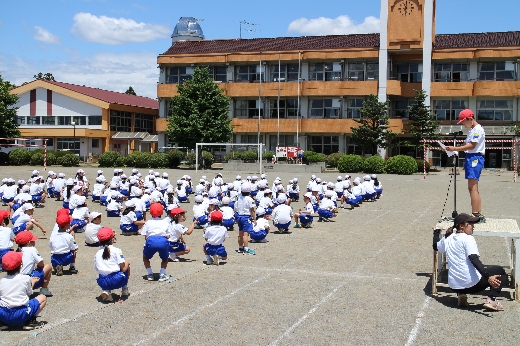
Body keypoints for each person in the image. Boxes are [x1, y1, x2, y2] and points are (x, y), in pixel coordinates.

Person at [433, 213, 507, 311]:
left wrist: (436, 232)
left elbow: (435, 246)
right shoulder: (468, 238)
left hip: (454, 286)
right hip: (473, 286)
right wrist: (488, 277)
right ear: (462, 226)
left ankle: (461, 295)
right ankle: (491, 299)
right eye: (470, 223)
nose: (473, 226)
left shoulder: (447, 238)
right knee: (500, 270)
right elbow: (474, 260)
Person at [445, 109, 486, 222]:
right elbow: (466, 144)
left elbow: (472, 146)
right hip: (471, 158)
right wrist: (452, 148)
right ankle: (477, 213)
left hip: (475, 158)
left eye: (464, 122)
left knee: (473, 188)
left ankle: (475, 215)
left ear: (470, 119)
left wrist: (455, 149)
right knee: (473, 188)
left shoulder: (478, 130)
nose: (463, 124)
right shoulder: (472, 130)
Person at [0, 251, 47, 330]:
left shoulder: (2, 281)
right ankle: (30, 321)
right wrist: (32, 282)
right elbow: (28, 294)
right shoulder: (25, 278)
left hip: (4, 314)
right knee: (43, 297)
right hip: (22, 314)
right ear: (21, 264)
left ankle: (3, 323)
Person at [94, 227, 130, 302]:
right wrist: (127, 263)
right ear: (112, 239)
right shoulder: (116, 250)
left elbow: (96, 269)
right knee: (126, 264)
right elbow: (123, 268)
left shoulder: (97, 253)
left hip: (102, 282)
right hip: (116, 280)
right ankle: (124, 289)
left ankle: (107, 291)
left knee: (103, 271)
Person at [15, 231, 53, 296]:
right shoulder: (31, 249)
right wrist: (38, 266)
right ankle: (44, 289)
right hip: (28, 279)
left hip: (16, 281)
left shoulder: (16, 251)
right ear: (29, 243)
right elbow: (41, 263)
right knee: (48, 267)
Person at [141, 203, 170, 282]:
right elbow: (168, 235)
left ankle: (150, 274)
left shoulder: (148, 222)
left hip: (151, 240)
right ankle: (162, 274)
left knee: (145, 257)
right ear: (162, 212)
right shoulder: (165, 222)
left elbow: (144, 235)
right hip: (163, 240)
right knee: (165, 258)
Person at [234, 182, 256, 255]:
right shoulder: (250, 199)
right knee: (246, 234)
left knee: (240, 233)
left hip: (239, 216)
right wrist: (254, 219)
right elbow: (252, 210)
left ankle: (240, 247)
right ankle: (246, 248)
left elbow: (236, 208)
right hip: (246, 217)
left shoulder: (239, 198)